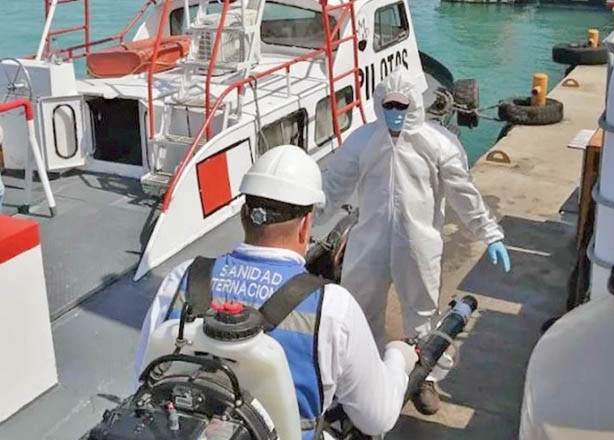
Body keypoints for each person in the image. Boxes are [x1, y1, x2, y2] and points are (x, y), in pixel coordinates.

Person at [134, 145, 418, 439]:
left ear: (243, 215)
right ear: (306, 224)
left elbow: (143, 381)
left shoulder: (183, 277)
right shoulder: (331, 306)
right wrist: (399, 358)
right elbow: (377, 418)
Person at [317, 67, 511, 414]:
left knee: (422, 311)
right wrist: (302, 218)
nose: (395, 112)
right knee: (359, 308)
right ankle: (364, 375)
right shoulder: (362, 141)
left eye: (401, 105)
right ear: (379, 103)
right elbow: (333, 188)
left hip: (419, 245)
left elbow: (463, 194)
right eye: (389, 105)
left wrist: (490, 233)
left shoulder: (438, 143)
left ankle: (425, 377)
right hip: (369, 243)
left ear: (414, 105)